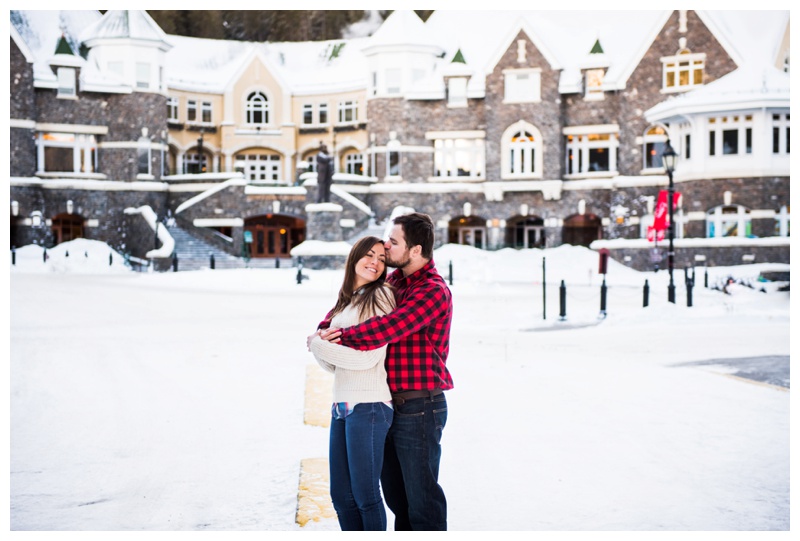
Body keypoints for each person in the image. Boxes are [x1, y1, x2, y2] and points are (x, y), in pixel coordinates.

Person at [318, 212, 453, 531]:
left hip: (420, 407)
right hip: (388, 406)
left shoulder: (432, 290)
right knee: (397, 500)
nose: (386, 246)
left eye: (393, 242)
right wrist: (325, 329)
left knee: (422, 502)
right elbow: (351, 303)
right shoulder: (394, 283)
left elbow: (387, 328)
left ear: (415, 250)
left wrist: (340, 338)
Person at [306, 236, 396, 531]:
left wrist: (317, 344)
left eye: (382, 259)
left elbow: (365, 359)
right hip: (342, 404)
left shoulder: (380, 295)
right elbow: (333, 363)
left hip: (370, 405)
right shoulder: (347, 301)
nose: (375, 262)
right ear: (355, 257)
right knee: (341, 496)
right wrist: (321, 346)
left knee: (366, 496)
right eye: (369, 255)